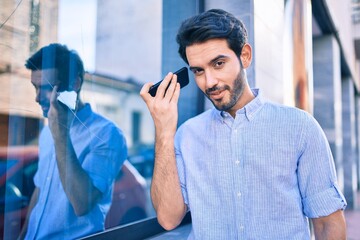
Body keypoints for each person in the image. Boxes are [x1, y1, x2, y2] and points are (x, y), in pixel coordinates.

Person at [140, 9, 347, 239]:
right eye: (198, 71)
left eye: (218, 63)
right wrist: (164, 131)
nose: (209, 82)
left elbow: (328, 224)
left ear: (245, 56)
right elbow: (168, 219)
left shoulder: (299, 127)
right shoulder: (187, 135)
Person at [19, 43, 127, 239]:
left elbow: (82, 204)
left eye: (46, 88)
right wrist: (23, 235)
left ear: (74, 84)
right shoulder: (46, 131)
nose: (36, 97)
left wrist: (60, 133)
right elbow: (40, 190)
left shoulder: (107, 134)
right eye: (35, 87)